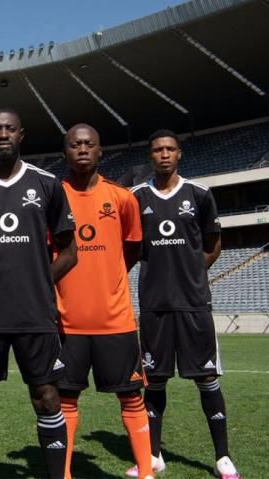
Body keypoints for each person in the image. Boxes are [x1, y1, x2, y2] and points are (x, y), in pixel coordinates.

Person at [0, 109, 77, 479]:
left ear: (21, 134)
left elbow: (69, 252)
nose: (3, 134)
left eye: (10, 128)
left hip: (35, 314)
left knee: (47, 396)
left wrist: (40, 281)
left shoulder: (47, 183)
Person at [130, 130, 240, 479]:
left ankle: (222, 458)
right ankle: (154, 456)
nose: (163, 154)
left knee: (207, 378)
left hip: (193, 304)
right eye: (157, 150)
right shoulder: (137, 197)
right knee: (154, 380)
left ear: (179, 153)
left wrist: (191, 274)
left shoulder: (200, 194)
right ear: (150, 156)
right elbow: (130, 247)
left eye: (169, 149)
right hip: (154, 305)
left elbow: (213, 244)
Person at [55, 124, 154, 479]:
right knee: (64, 400)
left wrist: (108, 276)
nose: (82, 149)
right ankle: (64, 473)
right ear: (65, 151)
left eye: (89, 144)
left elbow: (132, 248)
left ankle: (146, 472)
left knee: (131, 397)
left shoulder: (123, 198)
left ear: (100, 151)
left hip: (115, 321)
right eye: (75, 145)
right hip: (66, 322)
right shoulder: (53, 195)